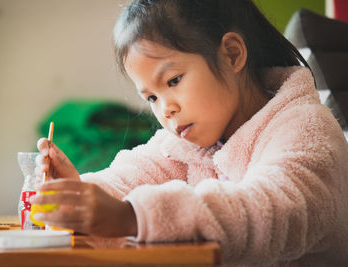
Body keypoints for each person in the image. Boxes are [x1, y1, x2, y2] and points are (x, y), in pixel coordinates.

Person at [30, 0, 348, 265]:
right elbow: (129, 179)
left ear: (232, 54)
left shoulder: (307, 127)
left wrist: (133, 216)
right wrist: (77, 192)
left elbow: (270, 211)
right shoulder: (185, 142)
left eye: (173, 81)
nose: (165, 109)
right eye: (151, 98)